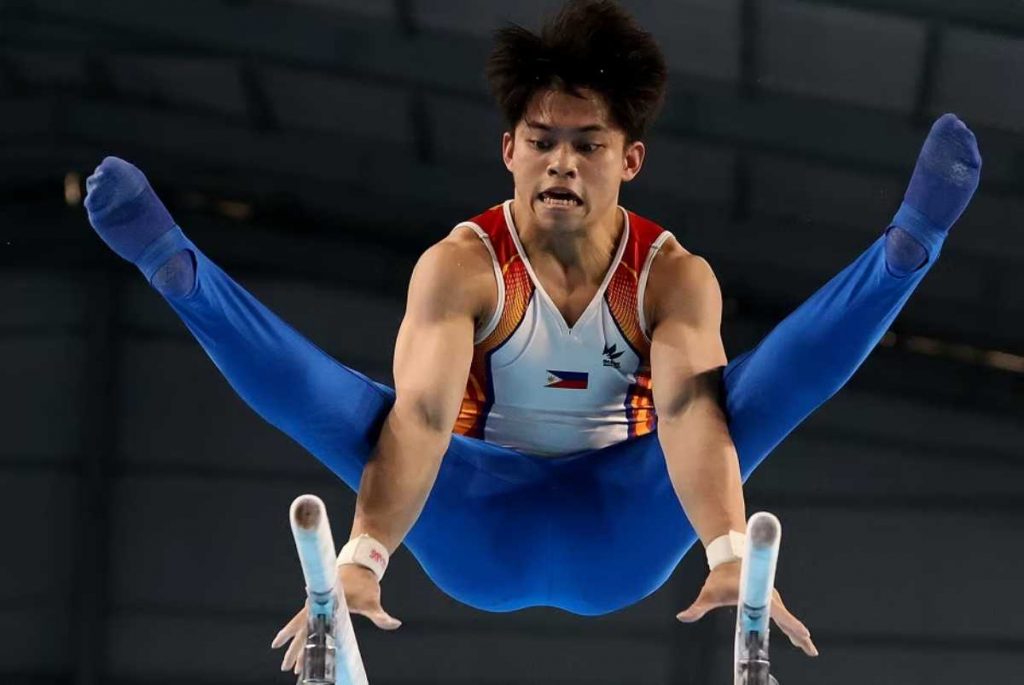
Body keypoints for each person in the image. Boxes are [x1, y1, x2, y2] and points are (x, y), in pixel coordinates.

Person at [82, 0, 981, 676]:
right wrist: (361, 560)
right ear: (508, 147)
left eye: (588, 145)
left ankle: (904, 252)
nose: (561, 162)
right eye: (542, 140)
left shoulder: (672, 276)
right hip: (477, 510)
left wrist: (730, 551)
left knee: (738, 402)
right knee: (361, 411)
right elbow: (425, 421)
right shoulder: (461, 267)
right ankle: (181, 271)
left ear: (629, 160)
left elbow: (690, 418)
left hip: (621, 521)